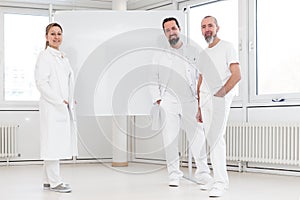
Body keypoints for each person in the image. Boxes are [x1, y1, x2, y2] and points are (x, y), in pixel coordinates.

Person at [149, 17, 212, 187]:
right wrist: (159, 100)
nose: (171, 32)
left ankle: (203, 173)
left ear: (179, 29)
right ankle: (174, 174)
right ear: (165, 33)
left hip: (190, 99)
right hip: (168, 100)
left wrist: (201, 100)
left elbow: (201, 76)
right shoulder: (159, 55)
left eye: (173, 28)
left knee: (197, 137)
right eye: (168, 30)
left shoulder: (193, 52)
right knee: (169, 138)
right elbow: (153, 79)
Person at [197, 16, 241, 197]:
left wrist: (221, 94)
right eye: (203, 27)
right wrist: (199, 107)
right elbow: (201, 80)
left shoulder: (227, 47)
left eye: (210, 25)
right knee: (211, 140)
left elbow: (236, 75)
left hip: (220, 99)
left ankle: (221, 183)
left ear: (217, 28)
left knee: (216, 139)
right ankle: (217, 180)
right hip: (205, 101)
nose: (207, 29)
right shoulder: (202, 54)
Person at [35, 23, 78, 193]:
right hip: (52, 107)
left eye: (59, 33)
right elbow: (41, 83)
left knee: (54, 143)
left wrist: (70, 100)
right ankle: (55, 182)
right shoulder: (45, 56)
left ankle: (47, 180)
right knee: (52, 144)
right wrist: (59, 100)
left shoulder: (62, 57)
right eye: (52, 34)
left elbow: (66, 83)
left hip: (61, 106)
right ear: (46, 37)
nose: (56, 37)